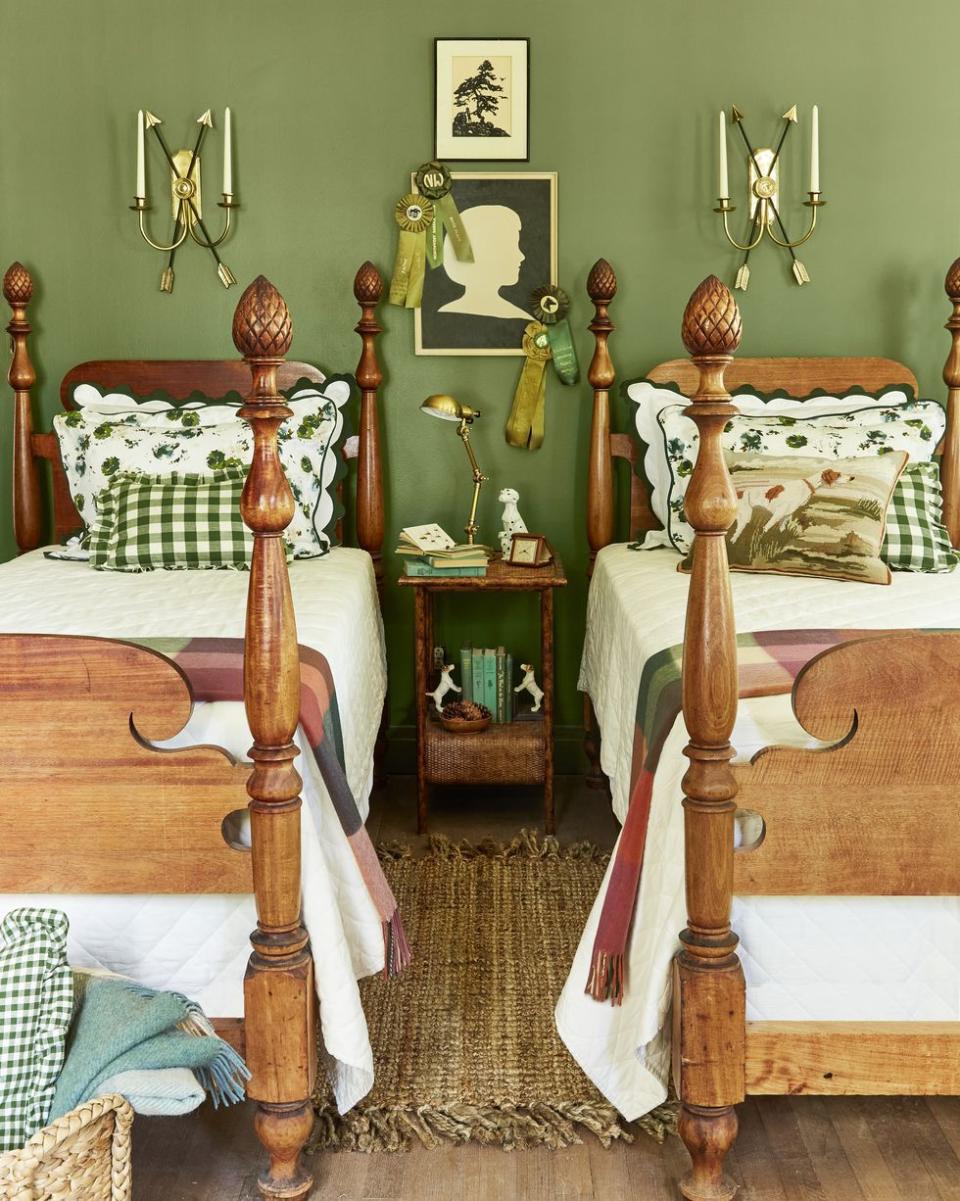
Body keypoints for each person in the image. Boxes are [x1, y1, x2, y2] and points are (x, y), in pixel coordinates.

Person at [438, 205, 529, 320]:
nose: (521, 256)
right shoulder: (518, 318)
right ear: (485, 253)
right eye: (511, 247)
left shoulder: (444, 315)